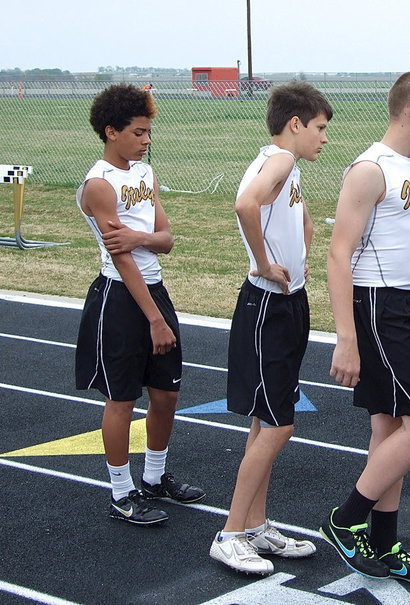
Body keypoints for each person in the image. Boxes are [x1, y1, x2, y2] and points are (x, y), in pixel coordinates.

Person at [321, 71, 410, 583]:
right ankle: (345, 519)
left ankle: (384, 543)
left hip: (408, 303)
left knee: (390, 428)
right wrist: (346, 338)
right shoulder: (371, 169)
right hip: (379, 308)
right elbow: (337, 255)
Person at [209, 82, 331, 574]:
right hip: (267, 307)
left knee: (265, 421)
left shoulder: (286, 165)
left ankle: (255, 526)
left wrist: (301, 230)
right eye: (321, 129)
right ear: (296, 124)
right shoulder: (279, 160)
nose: (325, 138)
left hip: (286, 304)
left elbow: (277, 208)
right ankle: (231, 533)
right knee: (279, 423)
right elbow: (245, 205)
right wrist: (262, 262)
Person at [75, 84, 205, 525]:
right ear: (111, 132)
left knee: (167, 394)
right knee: (122, 400)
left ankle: (154, 477)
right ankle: (121, 492)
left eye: (149, 132)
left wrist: (141, 236)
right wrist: (154, 319)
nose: (147, 140)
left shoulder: (144, 176)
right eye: (138, 132)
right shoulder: (99, 184)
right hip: (121, 299)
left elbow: (165, 240)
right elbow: (122, 257)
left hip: (156, 291)